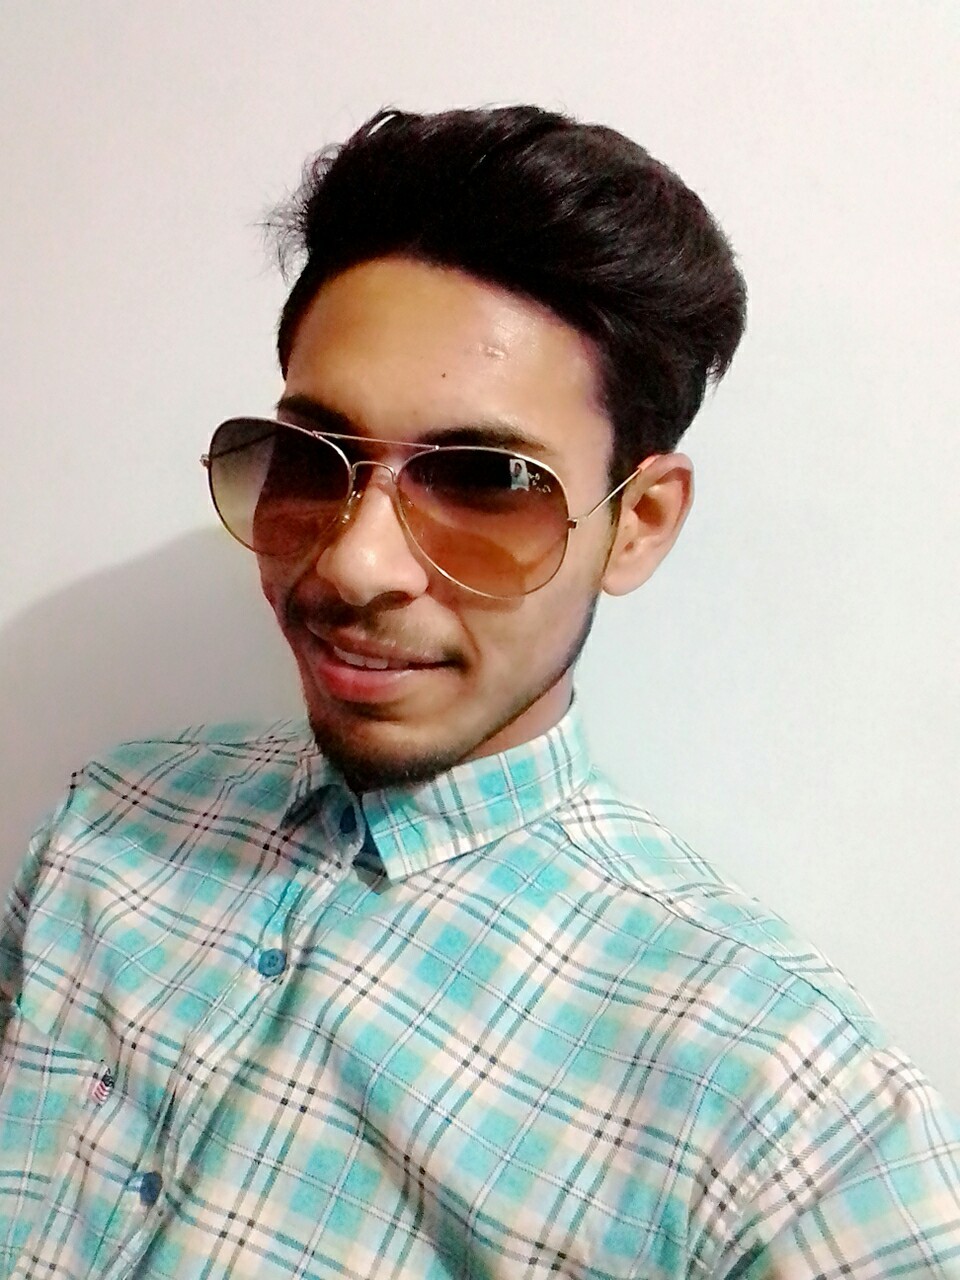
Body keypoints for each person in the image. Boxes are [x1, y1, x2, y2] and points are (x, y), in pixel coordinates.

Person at [1, 106, 958, 1280]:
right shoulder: (105, 830)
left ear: (638, 523)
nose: (353, 565)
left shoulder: (779, 1099)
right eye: (312, 458)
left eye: (487, 481)